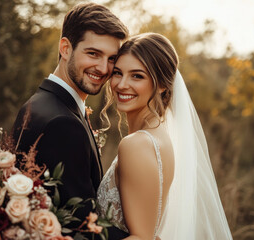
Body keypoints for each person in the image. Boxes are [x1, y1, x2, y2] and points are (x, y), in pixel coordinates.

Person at [97, 33, 233, 240]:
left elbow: (141, 238)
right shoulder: (160, 136)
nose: (122, 84)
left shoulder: (136, 144)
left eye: (137, 76)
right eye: (118, 72)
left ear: (162, 84)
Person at [12, 2, 129, 239]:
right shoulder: (61, 123)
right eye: (93, 54)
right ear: (65, 48)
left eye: (111, 58)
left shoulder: (42, 104)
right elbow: (81, 227)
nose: (103, 68)